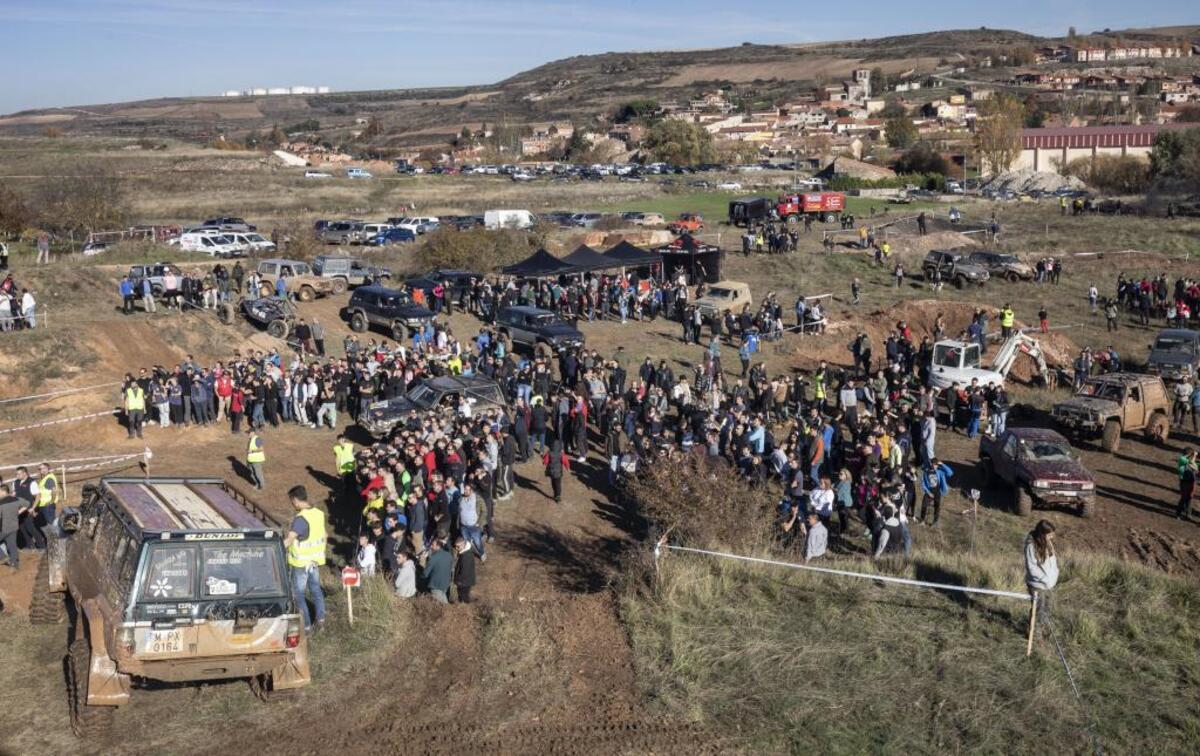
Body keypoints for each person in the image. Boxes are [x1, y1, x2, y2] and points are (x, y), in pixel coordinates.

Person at [283, 485, 327, 632]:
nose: (292, 504)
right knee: (316, 590)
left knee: (298, 594)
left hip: (301, 563)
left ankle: (306, 626)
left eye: (291, 501)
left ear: (295, 500)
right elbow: (324, 535)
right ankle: (320, 621)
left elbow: (289, 540)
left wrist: (276, 551)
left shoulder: (300, 519)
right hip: (314, 561)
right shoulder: (319, 514)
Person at [1024, 520, 1058, 638]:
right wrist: (1045, 579)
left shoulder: (1048, 543)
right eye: (1050, 534)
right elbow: (1032, 568)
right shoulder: (1031, 546)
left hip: (1049, 584)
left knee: (1048, 608)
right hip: (1037, 584)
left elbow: (1053, 560)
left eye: (1052, 534)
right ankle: (1035, 635)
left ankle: (1044, 630)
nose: (1052, 536)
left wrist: (1054, 575)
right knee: (1038, 610)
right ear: (1042, 534)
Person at [919, 458, 953, 525]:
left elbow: (950, 473)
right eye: (934, 465)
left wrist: (942, 464)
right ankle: (922, 520)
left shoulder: (939, 472)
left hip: (937, 491)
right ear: (931, 464)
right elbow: (923, 483)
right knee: (924, 505)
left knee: (937, 507)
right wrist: (928, 492)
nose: (936, 466)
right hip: (929, 491)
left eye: (937, 465)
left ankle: (935, 522)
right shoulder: (926, 472)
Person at [0, 483, 24, 569]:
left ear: (3, 492)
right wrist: (18, 512)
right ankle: (15, 564)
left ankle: (3, 557)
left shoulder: (1, 502)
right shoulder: (16, 499)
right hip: (14, 526)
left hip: (4, 528)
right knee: (12, 545)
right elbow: (27, 503)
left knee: (11, 544)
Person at [422, 537, 453, 604]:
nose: (431, 546)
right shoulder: (449, 555)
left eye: (433, 545)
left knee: (440, 605)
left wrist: (420, 576)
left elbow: (425, 574)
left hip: (436, 585)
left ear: (438, 546)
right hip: (446, 584)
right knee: (443, 601)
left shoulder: (433, 557)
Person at [453, 537, 480, 603]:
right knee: (464, 597)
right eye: (455, 546)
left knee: (463, 597)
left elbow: (465, 571)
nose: (456, 548)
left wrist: (458, 580)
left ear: (463, 545)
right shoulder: (465, 552)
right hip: (466, 580)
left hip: (464, 581)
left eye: (458, 547)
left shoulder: (466, 556)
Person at [543, 439, 570, 503]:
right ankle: (558, 495)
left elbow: (545, 462)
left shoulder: (549, 453)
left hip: (551, 472)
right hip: (558, 472)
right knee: (558, 483)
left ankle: (555, 493)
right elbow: (566, 462)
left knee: (553, 483)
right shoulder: (561, 454)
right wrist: (567, 468)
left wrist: (544, 460)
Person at [1178, 448, 1197, 521]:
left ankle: (1188, 514)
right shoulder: (1182, 459)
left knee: (1189, 498)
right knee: (1183, 498)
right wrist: (1194, 456)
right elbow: (1191, 463)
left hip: (1190, 482)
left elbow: (1194, 466)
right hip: (1185, 482)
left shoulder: (1187, 460)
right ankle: (1179, 513)